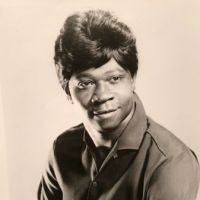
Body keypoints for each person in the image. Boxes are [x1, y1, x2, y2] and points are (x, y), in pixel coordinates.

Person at [38, 10, 200, 200]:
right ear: (67, 92)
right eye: (85, 83)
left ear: (132, 79)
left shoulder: (170, 163)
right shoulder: (62, 150)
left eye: (114, 78)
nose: (102, 95)